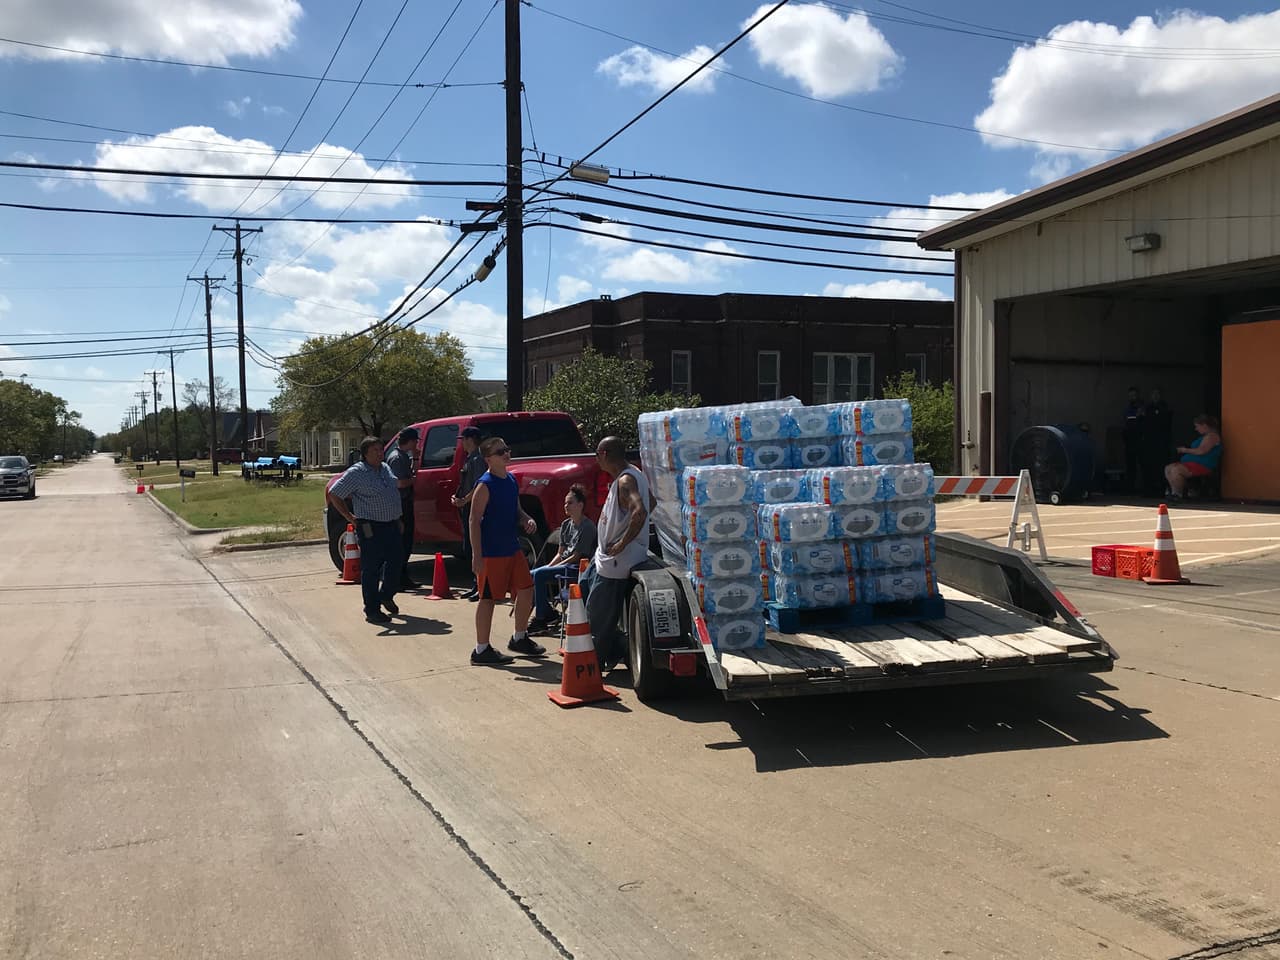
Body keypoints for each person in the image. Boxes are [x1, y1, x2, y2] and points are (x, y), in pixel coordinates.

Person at [469, 436, 546, 665]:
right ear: (488, 459)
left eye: (506, 449)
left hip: (512, 548)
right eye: (500, 451)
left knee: (526, 590)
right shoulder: (484, 485)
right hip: (492, 553)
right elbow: (473, 520)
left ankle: (519, 637)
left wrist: (526, 519)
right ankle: (481, 650)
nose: (506, 454)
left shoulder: (511, 480)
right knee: (489, 599)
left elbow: (517, 509)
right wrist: (477, 554)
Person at [580, 436, 651, 672]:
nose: (596, 459)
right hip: (604, 556)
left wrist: (622, 542)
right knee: (583, 585)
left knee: (597, 617)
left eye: (597, 454)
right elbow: (653, 503)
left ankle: (595, 666)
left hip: (615, 562)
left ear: (605, 454)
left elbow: (640, 511)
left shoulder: (625, 481)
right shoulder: (632, 473)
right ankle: (617, 646)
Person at [326, 436, 405, 624]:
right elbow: (335, 494)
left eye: (381, 449)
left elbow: (393, 490)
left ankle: (386, 594)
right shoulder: (357, 473)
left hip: (391, 524)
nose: (380, 453)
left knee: (397, 561)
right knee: (371, 568)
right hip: (370, 527)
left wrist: (398, 518)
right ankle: (372, 609)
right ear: (365, 454)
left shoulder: (385, 468)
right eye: (375, 451)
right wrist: (349, 517)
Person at [527, 484, 598, 634]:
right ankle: (547, 611)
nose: (566, 506)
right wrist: (549, 567)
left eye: (570, 502)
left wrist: (550, 569)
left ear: (580, 505)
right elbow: (560, 553)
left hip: (577, 569)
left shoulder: (588, 527)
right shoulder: (566, 525)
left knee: (540, 575)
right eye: (565, 503)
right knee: (533, 574)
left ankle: (541, 618)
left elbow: (577, 556)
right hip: (564, 565)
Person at [451, 426, 485, 601]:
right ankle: (475, 584)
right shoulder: (469, 458)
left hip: (475, 509)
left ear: (470, 440)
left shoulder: (478, 459)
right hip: (467, 507)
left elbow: (479, 485)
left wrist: (464, 500)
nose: (462, 443)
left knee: (476, 547)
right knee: (469, 548)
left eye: (463, 439)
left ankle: (481, 586)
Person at [385, 427, 419, 589]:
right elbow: (399, 483)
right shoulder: (397, 458)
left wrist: (416, 460)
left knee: (407, 541)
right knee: (402, 542)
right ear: (411, 441)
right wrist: (413, 480)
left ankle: (403, 576)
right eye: (415, 441)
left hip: (405, 502)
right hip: (400, 504)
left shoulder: (404, 456)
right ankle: (397, 578)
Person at [1165, 414, 1222, 498]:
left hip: (1203, 465)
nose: (1196, 429)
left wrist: (1184, 450)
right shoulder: (1204, 437)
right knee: (1168, 468)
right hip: (1191, 464)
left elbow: (1201, 451)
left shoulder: (1212, 436)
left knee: (1176, 470)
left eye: (1197, 426)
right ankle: (1175, 492)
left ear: (1204, 425)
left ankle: (1178, 494)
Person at [1141, 387, 1174, 497]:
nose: (1155, 396)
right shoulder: (1147, 408)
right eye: (1153, 394)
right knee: (1149, 467)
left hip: (1162, 443)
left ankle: (1162, 489)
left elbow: (1167, 423)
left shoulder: (1165, 407)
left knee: (1162, 466)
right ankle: (1149, 490)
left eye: (1157, 394)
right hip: (1149, 443)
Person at [1122, 386, 1144, 493]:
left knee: (1141, 464)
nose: (1132, 397)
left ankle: (1142, 487)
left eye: (1134, 395)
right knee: (1130, 465)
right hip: (1129, 440)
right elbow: (1126, 424)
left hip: (1139, 440)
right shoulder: (1127, 408)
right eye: (1130, 396)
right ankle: (1130, 487)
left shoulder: (1141, 407)